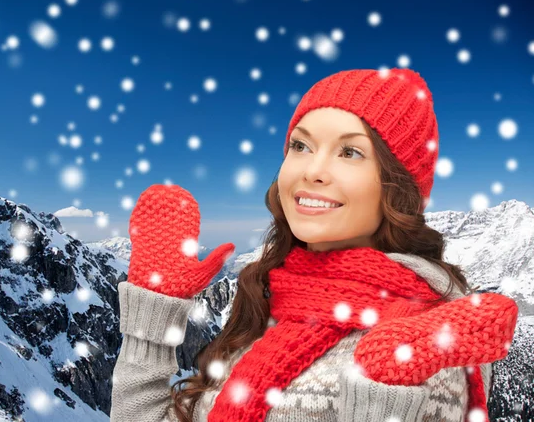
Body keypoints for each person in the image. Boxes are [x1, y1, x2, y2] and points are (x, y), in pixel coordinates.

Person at [109, 68, 519, 422]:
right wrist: (153, 311)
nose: (314, 170)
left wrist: (385, 398)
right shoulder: (271, 305)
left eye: (350, 152)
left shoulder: (427, 347)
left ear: (397, 188)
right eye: (300, 146)